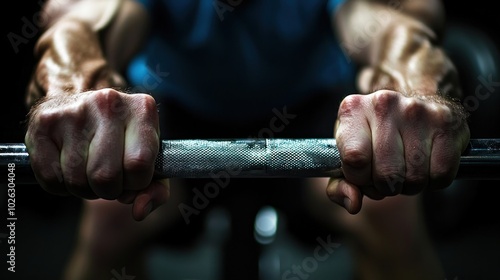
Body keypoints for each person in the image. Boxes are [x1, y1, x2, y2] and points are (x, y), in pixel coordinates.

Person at [23, 0, 470, 279]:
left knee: (389, 209)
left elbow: (392, 26)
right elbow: (87, 20)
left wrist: (418, 91)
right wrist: (70, 89)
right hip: (171, 117)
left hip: (311, 113)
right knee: (108, 222)